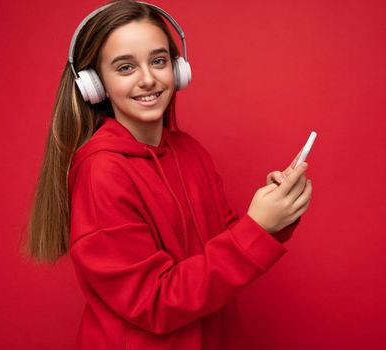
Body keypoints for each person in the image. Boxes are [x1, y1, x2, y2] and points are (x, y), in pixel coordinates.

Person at [25, 0, 312, 349]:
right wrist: (257, 228)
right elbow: (155, 301)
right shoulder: (101, 172)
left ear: (178, 70)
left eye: (158, 61)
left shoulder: (191, 152)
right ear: (94, 85)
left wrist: (273, 216)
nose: (148, 79)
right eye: (126, 67)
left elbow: (224, 247)